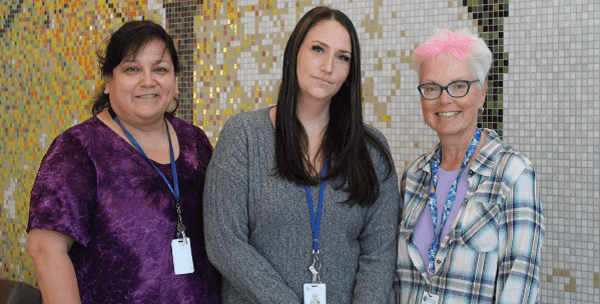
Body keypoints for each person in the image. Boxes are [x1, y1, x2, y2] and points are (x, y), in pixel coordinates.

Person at [203, 6, 399, 304]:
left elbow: (379, 252)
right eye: (318, 49)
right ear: (294, 53)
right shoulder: (243, 135)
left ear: (349, 72)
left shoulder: (370, 150)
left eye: (342, 57)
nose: (328, 66)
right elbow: (224, 242)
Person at [26, 20, 220, 304]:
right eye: (132, 69)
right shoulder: (78, 148)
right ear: (108, 81)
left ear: (175, 82)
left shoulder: (195, 142)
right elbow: (45, 249)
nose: (148, 81)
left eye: (160, 69)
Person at [393, 28, 545, 304]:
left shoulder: (513, 174)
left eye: (459, 85)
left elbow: (518, 287)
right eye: (431, 88)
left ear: (482, 92)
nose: (444, 99)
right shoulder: (413, 176)